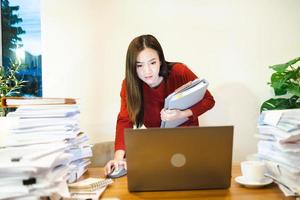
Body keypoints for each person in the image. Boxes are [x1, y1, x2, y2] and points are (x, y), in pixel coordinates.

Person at [104, 34, 215, 175]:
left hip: (189, 144)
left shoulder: (179, 72)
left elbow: (209, 100)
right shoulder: (129, 85)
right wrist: (118, 159)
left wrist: (182, 114)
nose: (147, 71)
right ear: (132, 66)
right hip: (159, 148)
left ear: (160, 61)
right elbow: (124, 120)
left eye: (152, 63)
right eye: (139, 65)